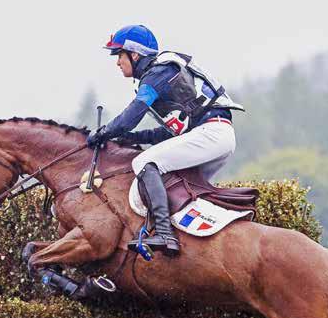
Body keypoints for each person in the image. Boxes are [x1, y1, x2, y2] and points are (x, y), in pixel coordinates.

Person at [87, 24, 244, 256]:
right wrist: (128, 139)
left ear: (135, 54)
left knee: (144, 163)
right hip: (214, 136)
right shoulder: (161, 75)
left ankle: (165, 234)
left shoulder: (157, 74)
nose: (117, 62)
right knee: (176, 185)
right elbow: (165, 135)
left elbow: (131, 116)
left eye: (119, 55)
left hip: (210, 134)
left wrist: (103, 133)